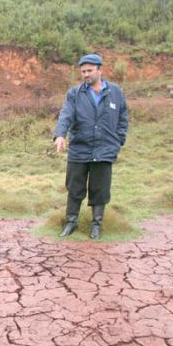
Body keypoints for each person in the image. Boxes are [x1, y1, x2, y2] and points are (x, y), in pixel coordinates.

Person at [53, 53, 129, 240]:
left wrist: (119, 139)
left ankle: (96, 225)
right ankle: (71, 222)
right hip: (80, 149)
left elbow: (123, 118)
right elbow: (66, 114)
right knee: (74, 188)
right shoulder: (75, 93)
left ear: (100, 70)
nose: (86, 75)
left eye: (89, 71)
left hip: (104, 150)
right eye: (83, 71)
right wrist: (60, 134)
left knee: (100, 189)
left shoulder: (115, 92)